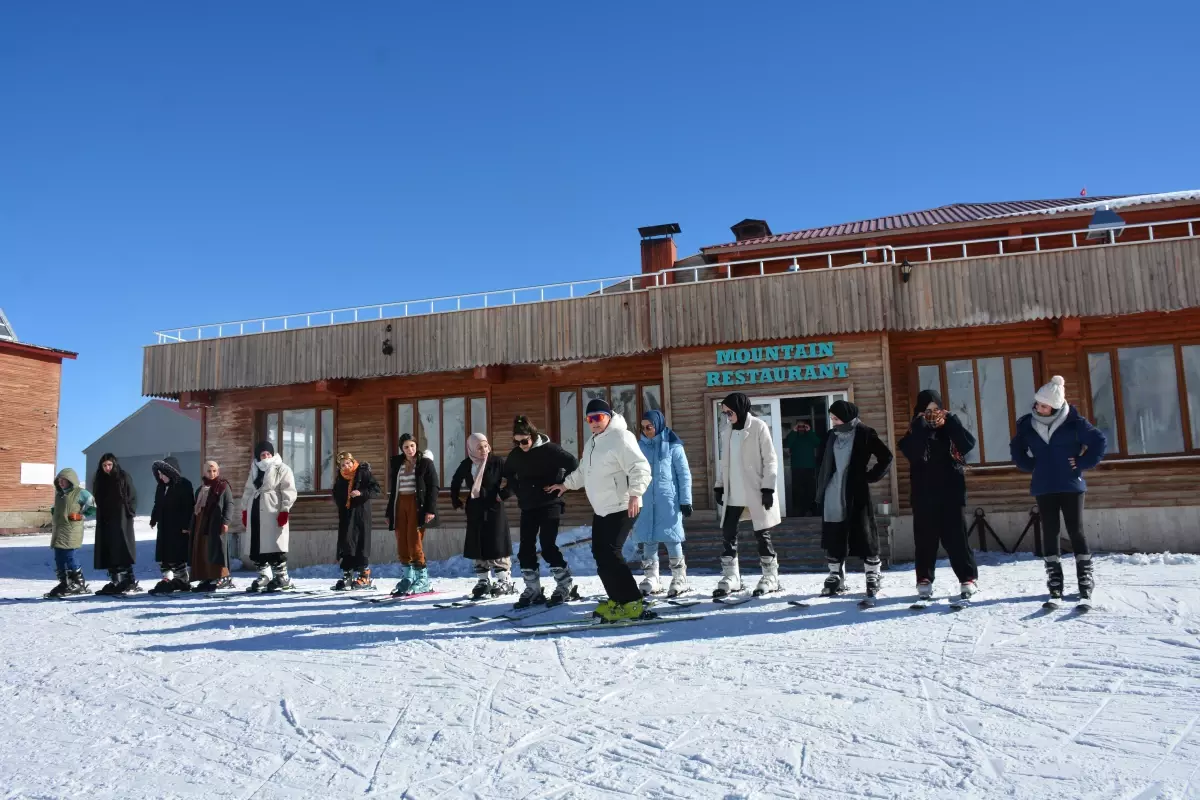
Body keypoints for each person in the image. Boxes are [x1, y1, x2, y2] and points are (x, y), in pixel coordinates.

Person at [547, 398, 652, 622]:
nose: (594, 422)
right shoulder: (593, 441)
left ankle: (632, 602)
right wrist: (565, 484)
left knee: (611, 553)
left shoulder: (621, 437)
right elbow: (584, 471)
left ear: (608, 416)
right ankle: (617, 599)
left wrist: (635, 493)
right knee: (600, 554)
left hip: (623, 504)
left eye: (598, 417)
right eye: (589, 418)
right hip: (603, 508)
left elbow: (639, 467)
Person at [1010, 375, 1107, 605]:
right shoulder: (1027, 424)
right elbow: (1017, 449)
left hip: (1071, 485)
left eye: (1044, 405)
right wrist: (1029, 465)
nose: (1038, 407)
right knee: (1050, 531)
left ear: (1054, 407)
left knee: (1076, 531)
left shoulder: (1074, 422)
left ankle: (1085, 580)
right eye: (1037, 403)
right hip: (1044, 486)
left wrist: (1082, 462)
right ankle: (1055, 583)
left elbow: (1099, 441)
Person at [898, 390, 979, 602]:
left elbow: (968, 445)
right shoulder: (914, 432)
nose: (932, 414)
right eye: (927, 410)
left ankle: (967, 578)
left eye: (936, 409)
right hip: (924, 495)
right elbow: (913, 452)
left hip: (951, 493)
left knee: (956, 539)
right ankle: (924, 579)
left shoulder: (951, 430)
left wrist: (952, 421)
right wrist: (920, 427)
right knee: (925, 540)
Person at [814, 400, 893, 599]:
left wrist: (870, 476)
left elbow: (886, 456)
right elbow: (820, 461)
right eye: (832, 418)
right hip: (833, 490)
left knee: (864, 531)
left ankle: (872, 573)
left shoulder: (865, 432)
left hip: (856, 491)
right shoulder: (831, 436)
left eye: (836, 418)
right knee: (834, 531)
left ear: (847, 417)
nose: (833, 422)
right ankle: (835, 575)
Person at [502, 416, 580, 608]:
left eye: (525, 441)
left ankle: (565, 585)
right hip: (528, 505)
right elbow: (509, 473)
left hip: (550, 503)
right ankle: (533, 589)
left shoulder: (550, 450)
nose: (521, 445)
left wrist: (563, 485)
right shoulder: (516, 455)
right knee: (525, 548)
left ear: (533, 436)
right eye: (517, 441)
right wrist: (518, 490)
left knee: (547, 545)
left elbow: (574, 464)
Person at [713, 392, 782, 598]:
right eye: (724, 413)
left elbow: (770, 459)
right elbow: (724, 462)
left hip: (755, 490)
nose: (727, 416)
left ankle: (770, 576)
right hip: (734, 492)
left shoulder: (758, 427)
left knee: (762, 534)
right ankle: (731, 576)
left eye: (730, 412)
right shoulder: (727, 431)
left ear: (740, 408)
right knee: (728, 533)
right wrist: (720, 485)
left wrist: (768, 487)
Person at [633, 409, 693, 597]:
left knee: (672, 538)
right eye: (643, 428)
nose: (646, 430)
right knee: (648, 539)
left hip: (668, 501)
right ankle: (652, 577)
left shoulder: (674, 447)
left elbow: (684, 475)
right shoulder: (637, 448)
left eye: (649, 427)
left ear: (658, 425)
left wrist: (686, 500)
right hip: (644, 501)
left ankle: (679, 577)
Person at [452, 433, 516, 599]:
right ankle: (483, 581)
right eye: (479, 447)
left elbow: (514, 479)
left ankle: (504, 580)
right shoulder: (467, 464)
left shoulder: (496, 462)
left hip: (494, 507)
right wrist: (456, 499)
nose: (483, 450)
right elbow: (455, 481)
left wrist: (503, 494)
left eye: (485, 445)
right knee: (478, 543)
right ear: (472, 448)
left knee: (497, 542)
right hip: (475, 509)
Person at [240, 441, 298, 592]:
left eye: (268, 454)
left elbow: (289, 490)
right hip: (255, 510)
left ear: (272, 454)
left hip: (273, 510)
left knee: (274, 544)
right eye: (262, 454)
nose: (265, 457)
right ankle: (264, 576)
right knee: (257, 545)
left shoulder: (282, 468)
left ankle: (282, 577)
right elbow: (248, 490)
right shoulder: (254, 469)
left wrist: (285, 510)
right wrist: (245, 510)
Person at [387, 433, 439, 596]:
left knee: (414, 540)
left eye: (412, 446)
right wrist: (390, 511)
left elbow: (433, 487)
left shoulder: (425, 463)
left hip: (417, 505)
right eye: (406, 447)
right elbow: (394, 490)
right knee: (402, 540)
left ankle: (423, 579)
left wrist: (430, 509)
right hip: (400, 504)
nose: (410, 449)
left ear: (416, 446)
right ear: (401, 449)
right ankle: (408, 577)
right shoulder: (398, 464)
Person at [331, 451, 381, 590]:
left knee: (361, 542)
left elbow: (376, 489)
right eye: (342, 464)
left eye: (348, 463)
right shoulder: (340, 478)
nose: (346, 466)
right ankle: (347, 575)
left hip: (360, 514)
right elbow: (336, 493)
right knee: (347, 543)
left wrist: (361, 493)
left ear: (353, 462)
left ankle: (364, 576)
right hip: (346, 515)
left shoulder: (362, 473)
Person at [93, 453, 140, 595]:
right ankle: (116, 580)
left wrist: (129, 512)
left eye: (109, 465)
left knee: (122, 547)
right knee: (109, 549)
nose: (107, 468)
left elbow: (132, 495)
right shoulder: (100, 480)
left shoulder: (122, 477)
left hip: (121, 519)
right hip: (106, 520)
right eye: (104, 465)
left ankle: (128, 580)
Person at [148, 456, 196, 595]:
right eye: (159, 474)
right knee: (164, 554)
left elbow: (189, 506)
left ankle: (182, 578)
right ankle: (167, 578)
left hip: (178, 527)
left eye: (163, 473)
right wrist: (153, 518)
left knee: (176, 553)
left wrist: (187, 525)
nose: (161, 476)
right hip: (164, 526)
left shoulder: (184, 484)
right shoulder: (161, 487)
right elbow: (157, 504)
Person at [45, 468, 95, 598]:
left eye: (64, 480)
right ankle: (65, 583)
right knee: (59, 557)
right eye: (59, 480)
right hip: (59, 530)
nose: (61, 483)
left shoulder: (80, 493)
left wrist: (81, 515)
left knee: (70, 556)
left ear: (71, 480)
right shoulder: (59, 494)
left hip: (72, 530)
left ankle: (79, 583)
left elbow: (93, 506)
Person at [191, 460, 235, 592]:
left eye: (214, 471)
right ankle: (207, 577)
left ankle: (222, 576)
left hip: (216, 523)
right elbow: (195, 509)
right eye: (209, 471)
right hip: (202, 523)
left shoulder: (222, 486)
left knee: (217, 549)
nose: (212, 473)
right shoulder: (201, 489)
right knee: (203, 550)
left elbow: (229, 504)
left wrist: (226, 521)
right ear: (204, 472)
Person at [784, 420, 821, 517]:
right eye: (799, 426)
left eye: (803, 426)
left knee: (811, 490)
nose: (801, 428)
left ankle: (812, 510)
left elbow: (817, 443)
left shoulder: (809, 436)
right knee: (798, 490)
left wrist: (809, 431)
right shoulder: (794, 436)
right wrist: (793, 431)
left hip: (810, 467)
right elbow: (787, 444)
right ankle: (800, 511)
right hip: (796, 467)